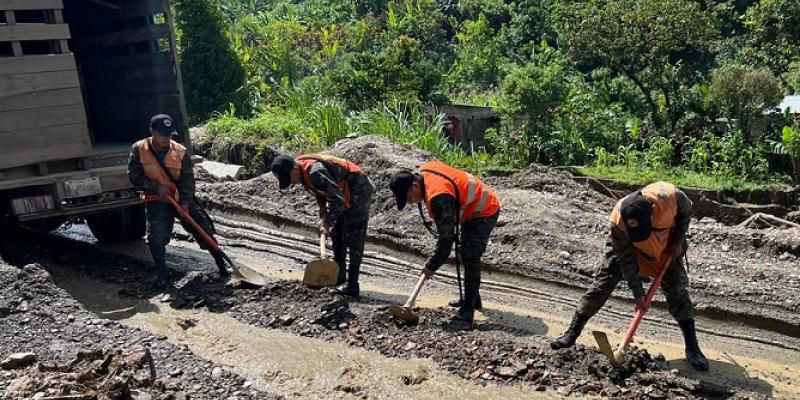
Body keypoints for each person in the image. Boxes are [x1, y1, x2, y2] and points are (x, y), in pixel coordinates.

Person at [550, 181, 709, 371]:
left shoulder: (669, 197)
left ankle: (692, 348)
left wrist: (678, 240)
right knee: (603, 282)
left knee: (676, 289)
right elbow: (626, 260)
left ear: (652, 212)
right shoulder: (618, 222)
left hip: (664, 245)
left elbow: (686, 211)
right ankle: (571, 334)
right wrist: (638, 293)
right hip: (628, 246)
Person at [388, 161, 500, 328]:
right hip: (471, 206)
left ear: (415, 186)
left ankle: (467, 313)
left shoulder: (438, 196)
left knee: (470, 254)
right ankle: (472, 299)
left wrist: (431, 266)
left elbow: (445, 242)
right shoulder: (424, 173)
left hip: (484, 208)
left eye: (409, 198)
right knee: (465, 251)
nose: (410, 202)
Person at [128, 114, 229, 289]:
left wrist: (184, 204)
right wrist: (155, 187)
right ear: (152, 132)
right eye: (163, 135)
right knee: (156, 238)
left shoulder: (180, 151)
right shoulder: (139, 149)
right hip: (157, 200)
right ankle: (162, 276)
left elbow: (188, 181)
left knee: (203, 229)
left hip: (180, 197)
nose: (167, 139)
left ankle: (223, 267)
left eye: (169, 135)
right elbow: (134, 177)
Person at [271, 154, 374, 296]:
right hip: (342, 192)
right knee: (337, 236)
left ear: (294, 168)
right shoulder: (303, 172)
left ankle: (352, 286)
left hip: (358, 187)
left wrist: (327, 223)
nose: (292, 183)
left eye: (289, 178)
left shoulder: (315, 171)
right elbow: (321, 189)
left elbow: (337, 199)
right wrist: (323, 209)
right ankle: (339, 280)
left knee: (354, 236)